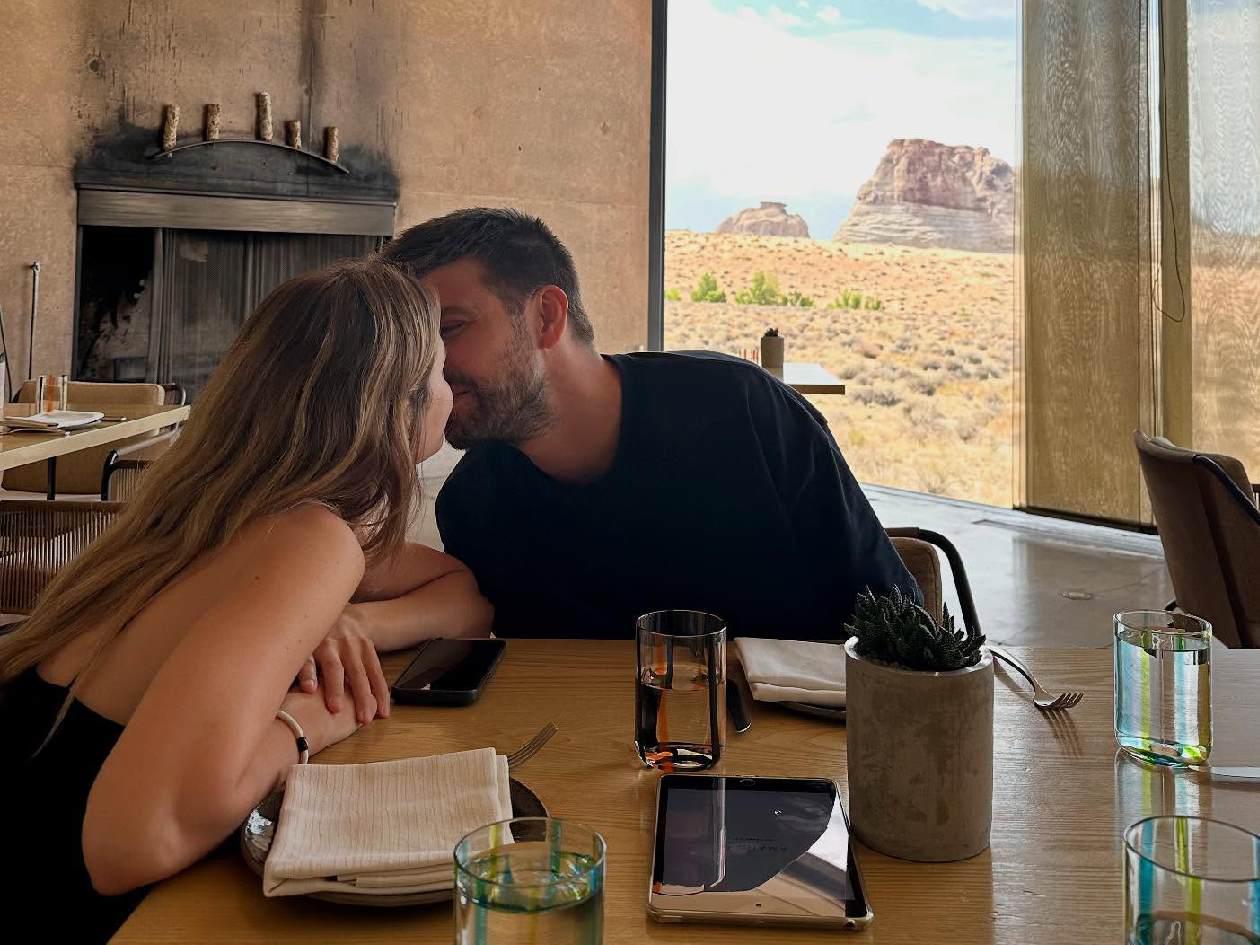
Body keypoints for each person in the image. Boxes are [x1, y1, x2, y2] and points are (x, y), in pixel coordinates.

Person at [0, 258, 491, 943]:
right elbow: (134, 840)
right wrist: (306, 722)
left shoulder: (227, 513)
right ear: (397, 403)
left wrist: (343, 621)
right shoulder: (309, 540)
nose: (449, 389)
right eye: (439, 371)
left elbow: (465, 597)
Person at [380, 208, 917, 640]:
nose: (424, 367)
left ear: (546, 317)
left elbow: (901, 632)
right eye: (413, 346)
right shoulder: (474, 504)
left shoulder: (745, 414)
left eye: (449, 329)